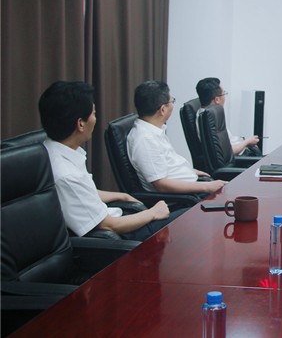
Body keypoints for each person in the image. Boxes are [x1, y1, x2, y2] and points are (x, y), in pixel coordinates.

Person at [38, 81, 177, 241]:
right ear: (81, 124)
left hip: (120, 219)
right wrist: (153, 213)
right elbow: (109, 225)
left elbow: (84, 194)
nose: (95, 119)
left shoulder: (56, 149)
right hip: (123, 236)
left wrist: (122, 196)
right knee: (187, 220)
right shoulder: (65, 174)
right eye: (94, 114)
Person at [127, 80, 226, 194]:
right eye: (171, 101)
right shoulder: (145, 140)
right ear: (163, 109)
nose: (172, 105)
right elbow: (161, 185)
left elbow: (169, 164)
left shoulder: (154, 130)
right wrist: (206, 187)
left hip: (193, 183)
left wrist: (190, 171)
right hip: (183, 197)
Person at [195, 77, 260, 156]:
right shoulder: (209, 120)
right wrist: (247, 142)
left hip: (242, 151)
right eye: (224, 94)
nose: (225, 98)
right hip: (240, 158)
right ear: (217, 100)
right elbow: (228, 152)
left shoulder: (205, 114)